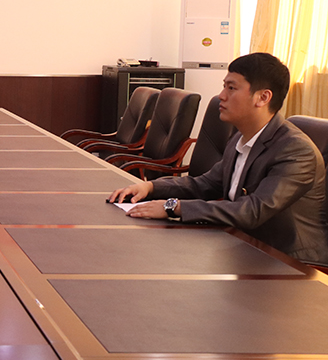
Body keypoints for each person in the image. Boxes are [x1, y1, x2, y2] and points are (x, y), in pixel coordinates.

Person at [109, 52, 328, 264]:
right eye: (224, 86)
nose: (222, 96)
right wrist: (151, 188)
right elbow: (206, 184)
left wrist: (172, 206)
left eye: (231, 88)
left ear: (263, 97)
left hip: (289, 262)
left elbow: (252, 211)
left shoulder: (296, 151)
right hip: (244, 245)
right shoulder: (241, 137)